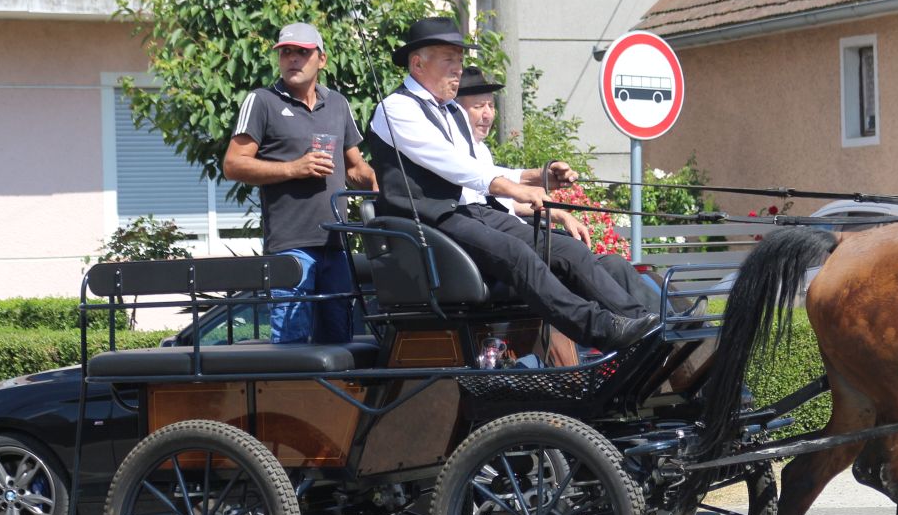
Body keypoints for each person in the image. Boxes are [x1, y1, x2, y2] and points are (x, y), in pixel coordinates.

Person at [365, 18, 658, 351]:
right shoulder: (396, 109)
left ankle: (645, 324)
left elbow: (481, 167)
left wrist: (537, 177)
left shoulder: (453, 113)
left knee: (567, 249)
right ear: (418, 63)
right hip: (428, 222)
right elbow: (453, 166)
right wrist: (516, 189)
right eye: (449, 60)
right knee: (518, 254)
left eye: (460, 60)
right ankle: (603, 330)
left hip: (468, 213)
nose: (458, 69)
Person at [223, 22, 376, 344]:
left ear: (322, 59)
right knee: (291, 351)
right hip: (290, 248)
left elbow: (354, 166)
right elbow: (233, 165)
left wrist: (381, 181)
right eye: (286, 53)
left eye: (302, 52)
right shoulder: (262, 101)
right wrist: (295, 168)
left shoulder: (338, 104)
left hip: (336, 245)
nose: (293, 59)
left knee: (340, 346)